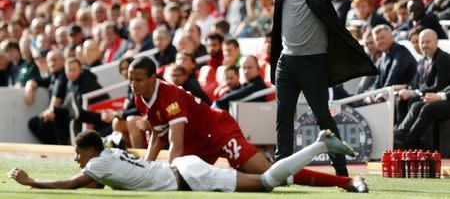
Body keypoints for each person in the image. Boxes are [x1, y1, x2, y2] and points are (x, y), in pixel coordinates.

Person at [211, 0, 377, 176]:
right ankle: (282, 170)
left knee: (323, 118)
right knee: (283, 119)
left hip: (313, 63)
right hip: (286, 63)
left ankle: (341, 171)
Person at [128, 56, 367, 193]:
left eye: (138, 79)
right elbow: (158, 136)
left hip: (218, 131)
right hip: (198, 141)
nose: (133, 84)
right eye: (130, 79)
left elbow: (175, 143)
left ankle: (344, 181)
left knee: (268, 175)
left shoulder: (170, 97)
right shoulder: (140, 98)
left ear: (152, 78)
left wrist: (162, 175)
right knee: (189, 184)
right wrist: (144, 171)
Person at [8, 129, 357, 192]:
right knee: (267, 181)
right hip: (185, 168)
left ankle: (318, 145)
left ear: (89, 153)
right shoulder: (110, 152)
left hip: (190, 178)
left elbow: (72, 185)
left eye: (77, 154)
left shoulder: (96, 164)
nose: (76, 159)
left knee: (267, 183)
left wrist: (32, 182)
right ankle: (317, 147)